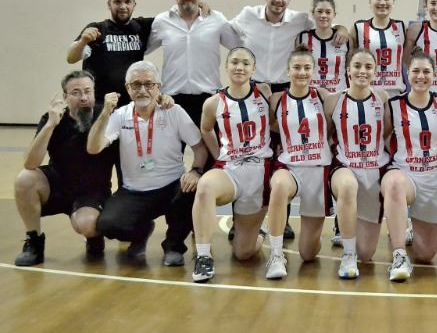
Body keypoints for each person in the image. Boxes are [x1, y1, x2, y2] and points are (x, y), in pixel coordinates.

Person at [231, 0, 346, 240]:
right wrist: (204, 11)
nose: (278, 0)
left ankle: (280, 220)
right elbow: (224, 31)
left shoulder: (299, 20)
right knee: (248, 152)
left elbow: (324, 24)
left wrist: (341, 27)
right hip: (254, 89)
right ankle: (242, 220)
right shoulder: (248, 15)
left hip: (285, 89)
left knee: (285, 154)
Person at [87, 61, 208, 266]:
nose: (142, 90)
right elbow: (93, 148)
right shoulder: (119, 115)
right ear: (127, 88)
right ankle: (141, 232)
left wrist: (196, 171)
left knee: (192, 190)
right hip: (134, 191)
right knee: (109, 225)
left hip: (172, 185)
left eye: (149, 84)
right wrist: (105, 113)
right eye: (136, 84)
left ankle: (174, 246)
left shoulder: (174, 111)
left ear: (158, 87)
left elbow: (200, 148)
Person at [264, 46, 359, 281]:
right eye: (296, 67)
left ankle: (342, 249)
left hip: (319, 170)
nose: (302, 72)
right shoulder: (276, 99)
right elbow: (272, 126)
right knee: (279, 186)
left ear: (314, 70)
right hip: (290, 168)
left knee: (308, 253)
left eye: (307, 67)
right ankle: (276, 255)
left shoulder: (324, 97)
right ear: (288, 71)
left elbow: (336, 124)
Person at [13, 71, 116, 266]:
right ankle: (34, 242)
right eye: (76, 92)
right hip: (57, 185)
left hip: (92, 192)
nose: (83, 97)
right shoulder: (52, 118)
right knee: (24, 179)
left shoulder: (107, 116)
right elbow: (30, 163)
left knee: (87, 225)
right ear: (65, 97)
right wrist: (50, 125)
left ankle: (94, 237)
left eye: (88, 91)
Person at [190, 48, 271, 283]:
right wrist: (219, 155)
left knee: (244, 253)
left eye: (246, 63)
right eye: (234, 62)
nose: (239, 67)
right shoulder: (213, 102)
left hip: (259, 172)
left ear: (253, 69)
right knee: (205, 187)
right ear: (226, 67)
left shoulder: (265, 93)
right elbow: (206, 129)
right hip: (230, 170)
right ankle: (203, 257)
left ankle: (259, 231)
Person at [382, 50, 437, 282]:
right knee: (394, 184)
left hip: (433, 180)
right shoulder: (393, 105)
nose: (421, 76)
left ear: (434, 75)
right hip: (404, 174)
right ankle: (399, 255)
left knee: (426, 255)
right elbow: (382, 137)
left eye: (426, 71)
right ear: (407, 74)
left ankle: (408, 225)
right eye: (416, 71)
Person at [147, 0, 241, 128]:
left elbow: (239, 47)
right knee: (172, 145)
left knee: (211, 144)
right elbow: (142, 49)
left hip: (209, 100)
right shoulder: (162, 21)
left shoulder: (216, 19)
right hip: (171, 101)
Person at [326, 49, 391, 268]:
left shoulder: (383, 99)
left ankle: (356, 250)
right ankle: (348, 254)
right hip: (345, 167)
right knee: (347, 185)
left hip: (375, 170)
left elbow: (388, 133)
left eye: (368, 67)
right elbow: (326, 136)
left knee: (366, 253)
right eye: (357, 66)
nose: (362, 71)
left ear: (375, 72)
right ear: (348, 70)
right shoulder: (334, 100)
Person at [67, 0, 153, 105]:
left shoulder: (141, 27)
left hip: (131, 104)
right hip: (100, 104)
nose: (123, 6)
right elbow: (71, 58)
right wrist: (82, 41)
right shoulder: (97, 28)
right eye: (117, 2)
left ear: (134, 5)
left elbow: (168, 20)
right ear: (109, 4)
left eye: (127, 2)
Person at [352, 0, 407, 97]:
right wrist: (340, 28)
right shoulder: (358, 28)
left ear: (393, 2)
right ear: (370, 2)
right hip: (367, 92)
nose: (382, 2)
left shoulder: (402, 27)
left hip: (395, 93)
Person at [297, 0, 349, 93]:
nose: (323, 15)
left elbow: (350, 69)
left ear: (334, 14)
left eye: (328, 12)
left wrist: (342, 28)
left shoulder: (345, 39)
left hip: (338, 94)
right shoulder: (303, 38)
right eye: (319, 11)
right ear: (313, 13)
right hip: (311, 95)